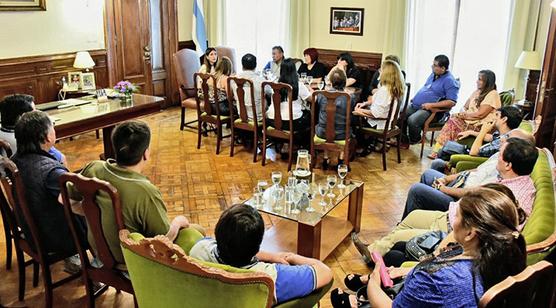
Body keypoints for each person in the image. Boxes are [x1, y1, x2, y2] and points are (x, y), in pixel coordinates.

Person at [332, 187, 527, 307]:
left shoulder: (437, 277)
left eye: (457, 216)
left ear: (470, 234)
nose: (453, 219)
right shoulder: (498, 259)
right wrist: (405, 271)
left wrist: (374, 282)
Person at [67, 121, 197, 266]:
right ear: (146, 154)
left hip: (100, 253)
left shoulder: (94, 168)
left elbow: (64, 199)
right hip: (131, 261)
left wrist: (98, 214)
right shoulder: (145, 191)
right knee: (194, 232)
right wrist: (178, 222)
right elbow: (163, 241)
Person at [189, 204, 333, 304]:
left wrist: (271, 256)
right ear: (257, 244)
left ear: (218, 230)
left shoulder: (198, 249)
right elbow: (325, 273)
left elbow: (217, 244)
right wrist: (291, 256)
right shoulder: (268, 278)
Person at [402, 137, 538, 219]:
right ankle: (414, 217)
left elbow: (472, 192)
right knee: (428, 175)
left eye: (501, 154)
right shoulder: (509, 174)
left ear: (509, 164)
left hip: (461, 202)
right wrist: (447, 180)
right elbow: (477, 170)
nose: (503, 141)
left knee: (417, 190)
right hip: (462, 189)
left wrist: (442, 188)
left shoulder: (504, 188)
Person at [11, 111, 86, 257]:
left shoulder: (15, 160)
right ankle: (99, 266)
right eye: (53, 126)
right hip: (55, 238)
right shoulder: (51, 172)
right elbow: (75, 203)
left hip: (31, 230)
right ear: (46, 137)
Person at [428, 70, 501, 159]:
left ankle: (440, 151)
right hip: (470, 120)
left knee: (452, 122)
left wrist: (464, 116)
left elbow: (480, 115)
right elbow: (465, 106)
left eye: (480, 79)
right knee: (453, 118)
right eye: (478, 79)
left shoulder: (493, 94)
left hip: (481, 125)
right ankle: (443, 151)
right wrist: (461, 114)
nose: (477, 81)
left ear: (487, 82)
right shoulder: (477, 91)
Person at [431, 106, 524, 172]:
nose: (493, 117)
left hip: (475, 155)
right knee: (447, 146)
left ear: (504, 119)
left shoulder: (503, 142)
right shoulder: (504, 133)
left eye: (497, 115)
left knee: (445, 150)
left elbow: (474, 152)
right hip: (475, 150)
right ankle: (442, 169)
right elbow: (491, 137)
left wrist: (483, 130)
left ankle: (440, 173)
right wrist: (471, 132)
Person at [402, 55, 460, 146]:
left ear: (443, 68)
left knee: (412, 120)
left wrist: (431, 105)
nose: (432, 67)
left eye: (435, 65)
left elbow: (451, 102)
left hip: (432, 110)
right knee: (401, 114)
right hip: (417, 105)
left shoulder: (450, 81)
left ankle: (415, 140)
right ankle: (403, 140)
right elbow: (427, 88)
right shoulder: (434, 74)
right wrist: (416, 97)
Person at [0, 94, 66, 163]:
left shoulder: (4, 135)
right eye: (34, 112)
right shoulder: (29, 138)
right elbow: (61, 159)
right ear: (24, 117)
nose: (38, 113)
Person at [315, 67, 355, 168]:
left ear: (331, 81)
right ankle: (341, 159)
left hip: (322, 133)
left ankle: (325, 157)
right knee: (344, 126)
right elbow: (351, 114)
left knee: (326, 122)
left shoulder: (321, 95)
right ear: (344, 82)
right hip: (342, 135)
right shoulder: (349, 97)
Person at [266, 58, 311, 132]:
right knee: (309, 116)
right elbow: (312, 100)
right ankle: (302, 142)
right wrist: (310, 89)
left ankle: (278, 140)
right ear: (294, 70)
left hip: (272, 120)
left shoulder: (274, 84)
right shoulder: (299, 85)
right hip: (291, 122)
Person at [232, 53, 272, 122]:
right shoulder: (261, 81)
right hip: (258, 118)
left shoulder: (234, 80)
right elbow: (270, 92)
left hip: (241, 115)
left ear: (242, 65)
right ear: (255, 65)